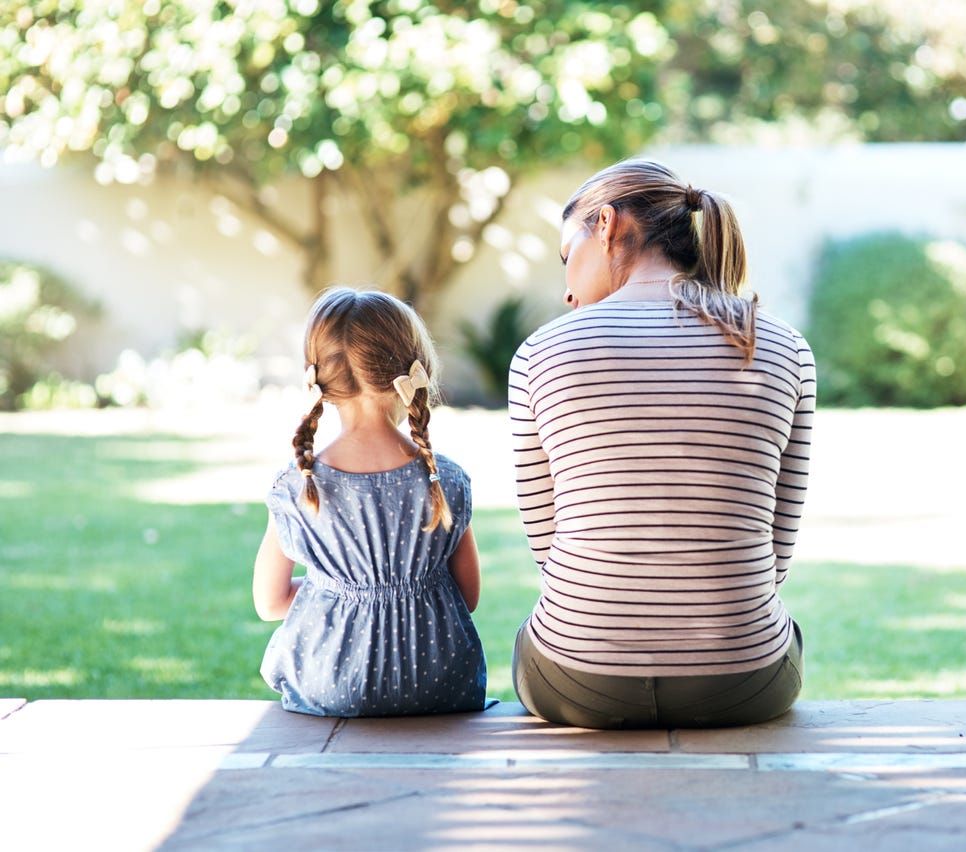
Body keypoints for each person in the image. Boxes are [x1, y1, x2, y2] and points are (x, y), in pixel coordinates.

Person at [508, 159, 815, 729]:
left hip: (578, 681)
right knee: (783, 630)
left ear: (605, 224)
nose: (566, 289)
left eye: (565, 256)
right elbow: (777, 550)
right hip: (743, 681)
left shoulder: (540, 353)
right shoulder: (781, 345)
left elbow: (548, 548)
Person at [253, 286, 488, 717]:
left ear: (318, 380)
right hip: (439, 684)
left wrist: (338, 587)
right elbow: (468, 595)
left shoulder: (297, 485)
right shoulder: (446, 479)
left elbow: (269, 603)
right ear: (414, 371)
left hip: (330, 685)